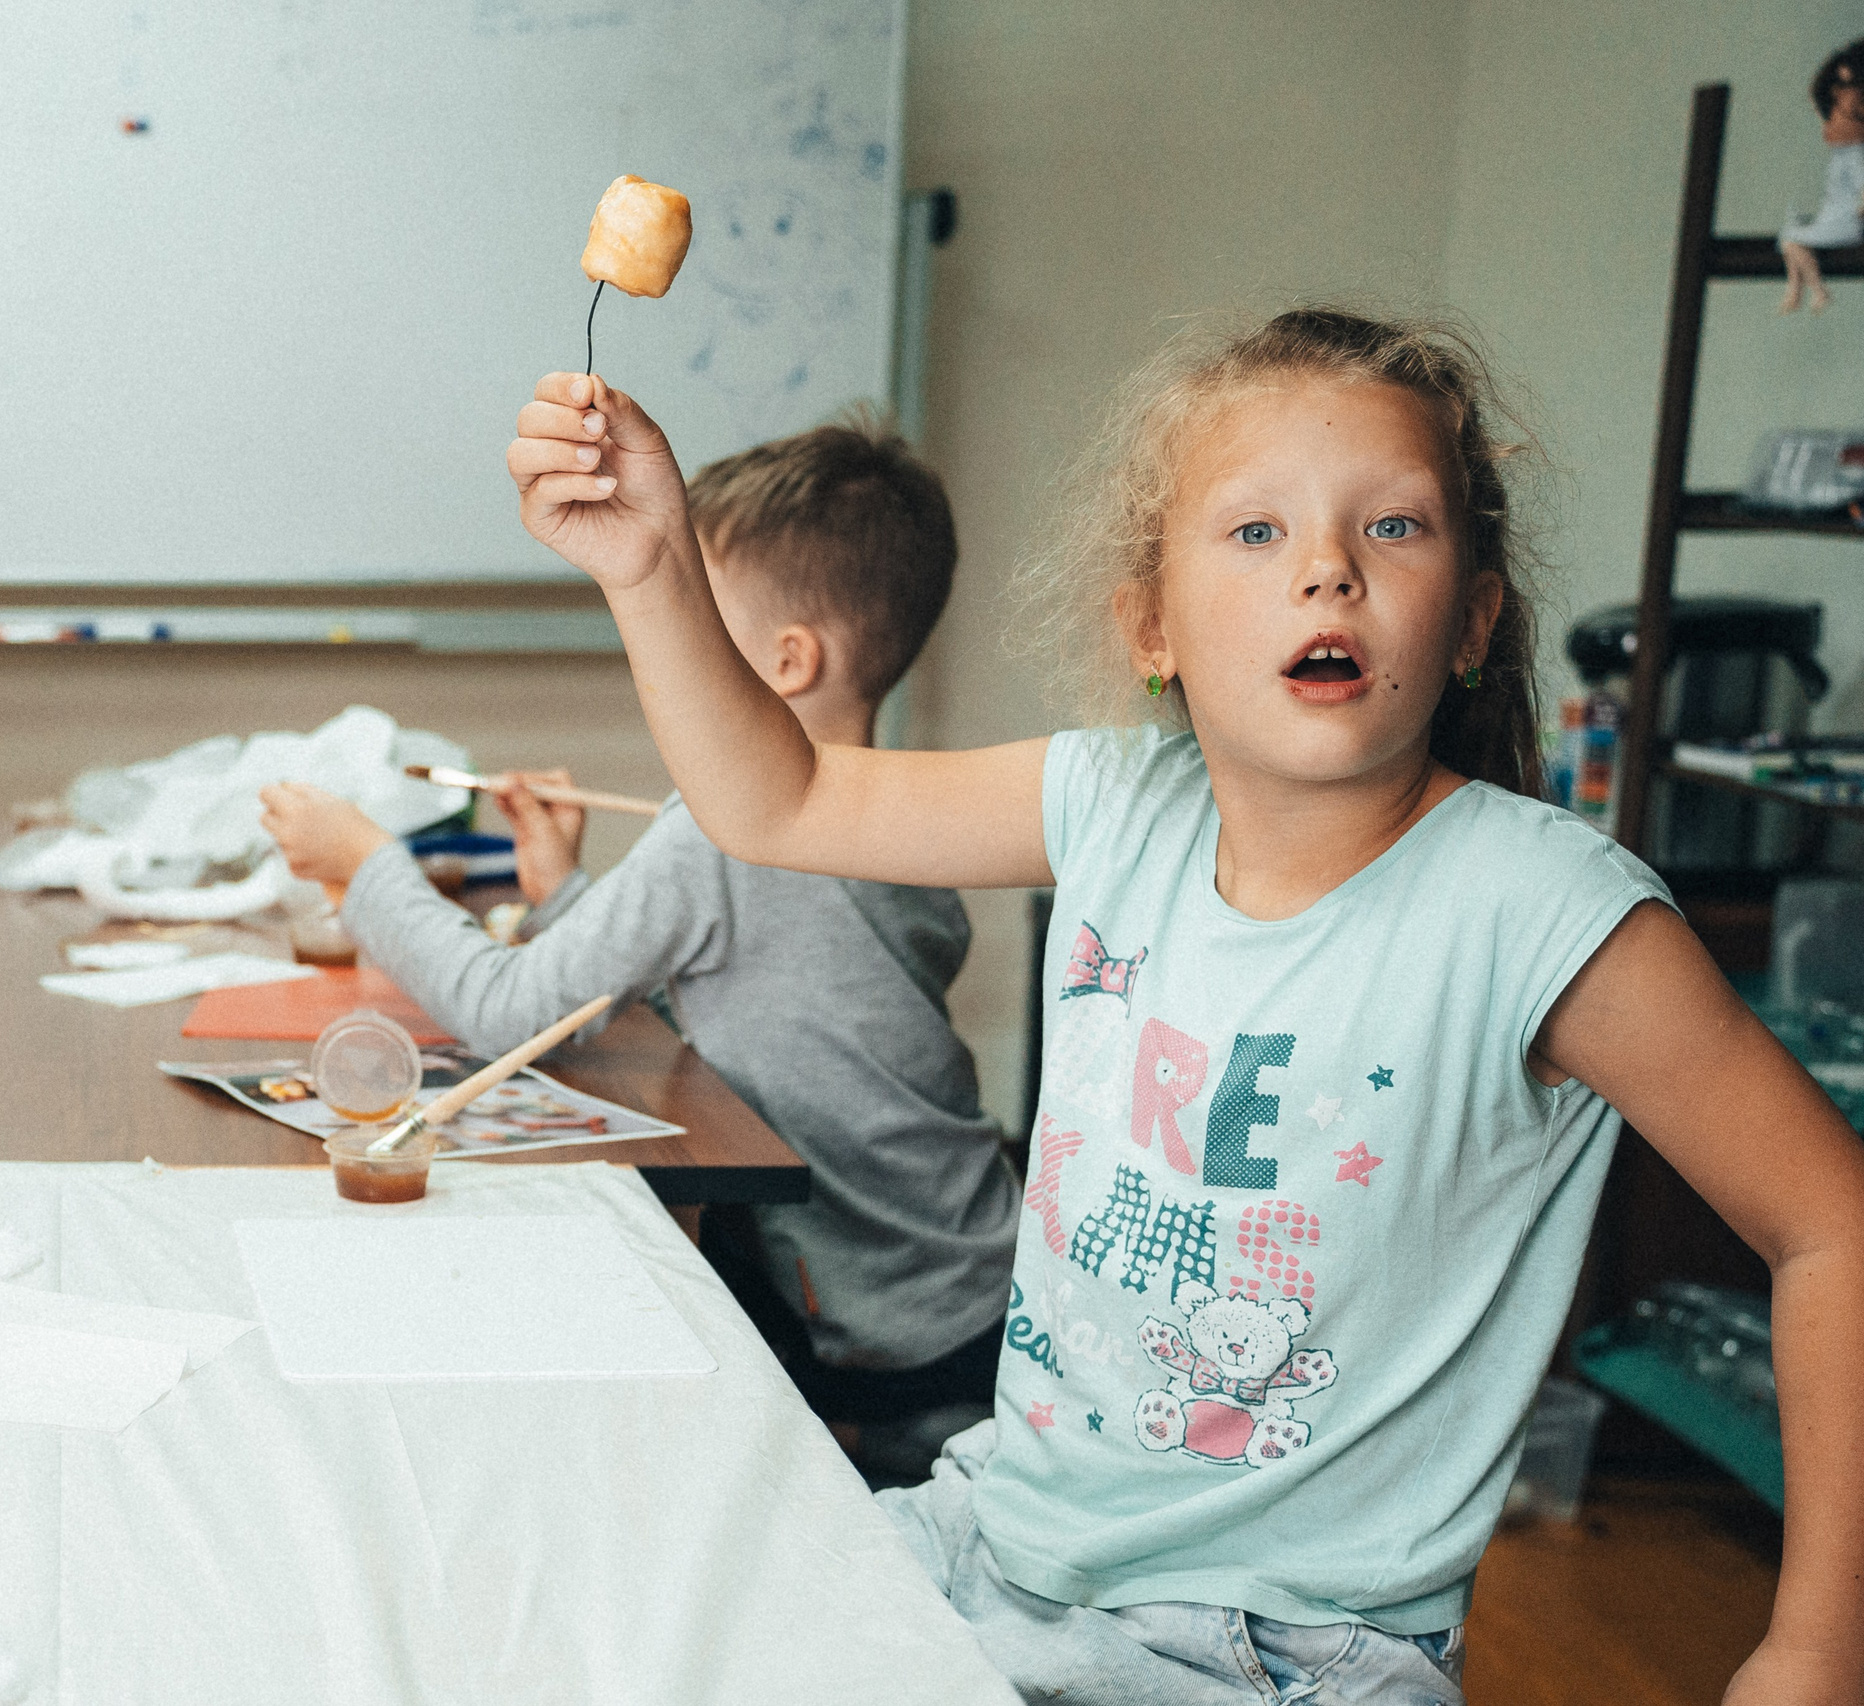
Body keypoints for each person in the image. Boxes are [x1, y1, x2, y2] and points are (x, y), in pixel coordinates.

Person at [500, 309, 1864, 1704]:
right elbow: (774, 797)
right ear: (1153, 622)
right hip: (991, 1544)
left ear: (1475, 617)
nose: (1327, 569)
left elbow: (1831, 1221)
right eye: (1257, 533)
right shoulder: (1109, 803)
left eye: (1392, 528)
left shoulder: (1546, 913)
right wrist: (654, 564)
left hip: (1286, 1654)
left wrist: (1818, 1643)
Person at [260, 417, 1021, 1472]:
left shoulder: (721, 832)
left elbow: (505, 1009)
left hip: (879, 1332)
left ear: (788, 659)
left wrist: (367, 865)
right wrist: (564, 892)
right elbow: (745, 987)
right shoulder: (911, 816)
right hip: (983, 1273)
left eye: (687, 617)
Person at [1781, 36, 1864, 315]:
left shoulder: (1854, 154)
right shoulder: (1847, 153)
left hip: (1847, 223)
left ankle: (1813, 291)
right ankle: (1805, 291)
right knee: (1792, 233)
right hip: (1843, 219)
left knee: (1791, 238)